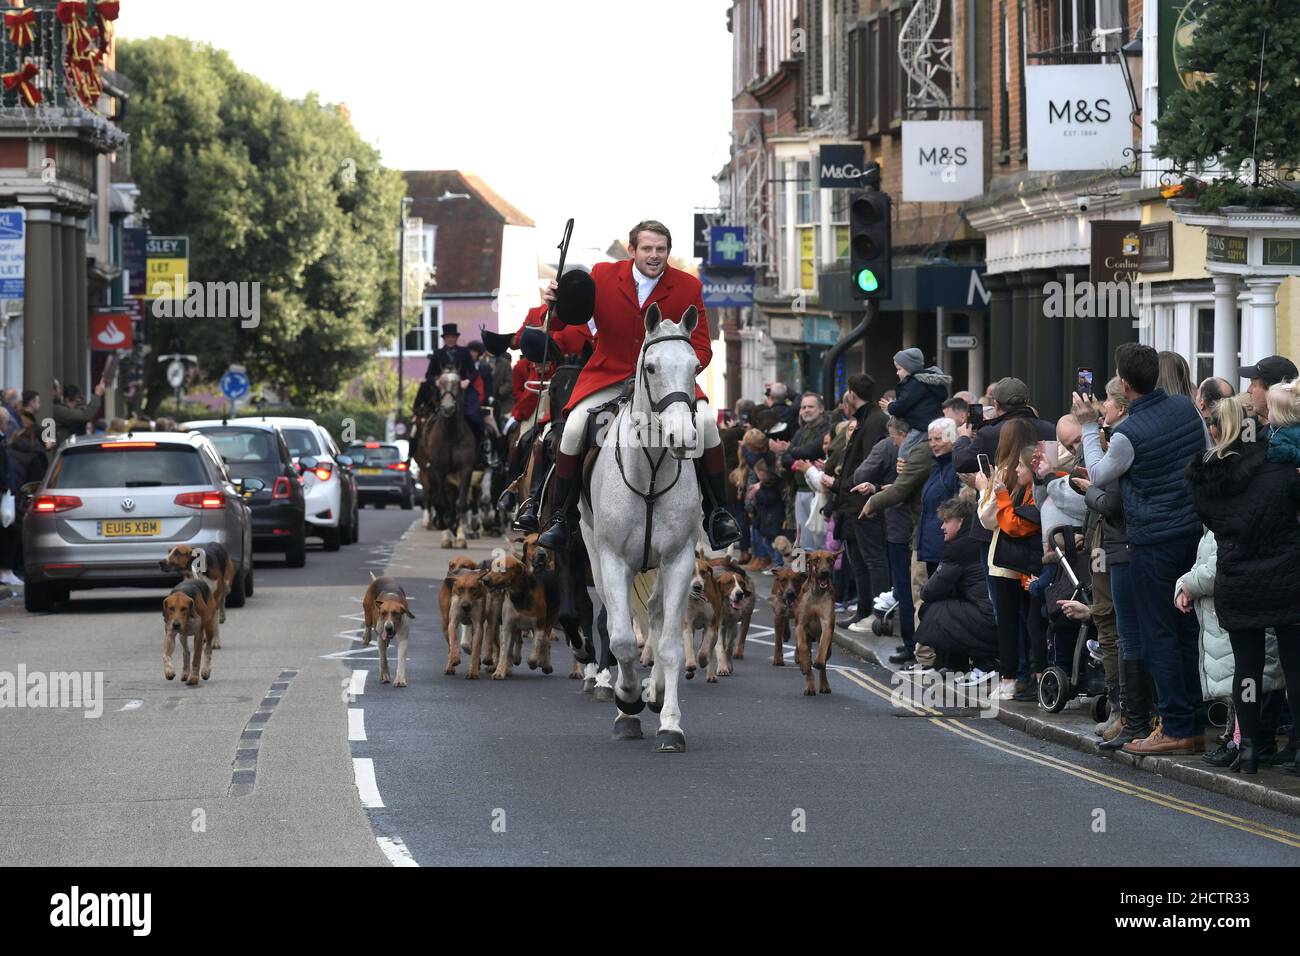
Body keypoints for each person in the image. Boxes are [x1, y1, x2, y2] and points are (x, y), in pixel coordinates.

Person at [537, 220, 740, 551]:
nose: (654, 255)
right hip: (610, 375)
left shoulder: (688, 287)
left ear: (669, 252)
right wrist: (554, 304)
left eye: (661, 249)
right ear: (632, 250)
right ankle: (561, 517)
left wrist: (679, 370)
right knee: (574, 428)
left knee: (705, 424)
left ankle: (718, 514)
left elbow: (702, 347)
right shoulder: (602, 275)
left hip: (667, 383)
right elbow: (565, 322)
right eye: (647, 248)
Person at [1074, 343, 1208, 756]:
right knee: (1187, 628)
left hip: (1151, 540)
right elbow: (1203, 455)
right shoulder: (1187, 409)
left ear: (1126, 385)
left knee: (1159, 633)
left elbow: (1098, 474)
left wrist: (1086, 426)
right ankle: (1192, 721)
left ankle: (1175, 726)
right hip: (1191, 533)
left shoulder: (1129, 433)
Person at [1186, 393, 1300, 774]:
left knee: (1247, 671)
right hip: (1287, 577)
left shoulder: (1207, 482)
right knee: (1295, 667)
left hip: (1238, 579)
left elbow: (1215, 524)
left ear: (1215, 430)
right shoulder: (1281, 469)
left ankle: (1248, 747)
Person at [1177, 527, 1286, 768]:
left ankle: (1245, 743)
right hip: (1228, 618)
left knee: (1249, 682)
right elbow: (1205, 565)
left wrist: (1187, 584)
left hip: (1237, 615)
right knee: (1244, 685)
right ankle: (1243, 741)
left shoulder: (1225, 523)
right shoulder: (1213, 528)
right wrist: (1185, 585)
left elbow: (1218, 570)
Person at [976, 419, 1042, 701]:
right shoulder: (1037, 469)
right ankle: (1030, 675)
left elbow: (988, 519)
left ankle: (1011, 678)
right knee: (1031, 621)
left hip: (1005, 558)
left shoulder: (1003, 472)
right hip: (1031, 559)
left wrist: (983, 488)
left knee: (1007, 621)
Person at [861, 416, 935, 661]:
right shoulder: (913, 452)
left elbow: (902, 488)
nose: (892, 443)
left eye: (893, 436)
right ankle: (912, 646)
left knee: (911, 590)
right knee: (907, 589)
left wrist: (874, 500)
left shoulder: (917, 452)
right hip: (909, 528)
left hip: (907, 530)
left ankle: (916, 647)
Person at [912, 495, 998, 681]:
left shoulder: (960, 546)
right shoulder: (973, 539)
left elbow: (931, 591)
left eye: (946, 521)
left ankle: (984, 665)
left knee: (931, 609)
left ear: (960, 522)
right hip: (993, 613)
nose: (942, 527)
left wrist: (925, 591)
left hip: (987, 617)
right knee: (946, 607)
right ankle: (956, 665)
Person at [826, 374, 888, 628]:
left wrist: (844, 483)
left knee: (872, 560)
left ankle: (878, 615)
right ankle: (863, 611)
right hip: (851, 503)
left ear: (851, 393)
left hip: (863, 501)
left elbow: (870, 462)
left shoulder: (874, 421)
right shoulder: (865, 419)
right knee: (858, 561)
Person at [779, 392, 829, 548]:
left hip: (819, 492)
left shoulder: (828, 429)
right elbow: (784, 459)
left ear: (821, 409)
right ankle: (800, 572)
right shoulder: (800, 432)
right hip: (800, 491)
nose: (806, 410)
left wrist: (793, 451)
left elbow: (811, 451)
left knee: (820, 540)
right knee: (801, 540)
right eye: (803, 407)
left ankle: (820, 572)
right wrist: (797, 464)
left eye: (810, 407)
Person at [915, 417, 960, 576]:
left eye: (938, 439)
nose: (933, 444)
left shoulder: (956, 467)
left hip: (945, 546)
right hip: (932, 544)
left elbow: (960, 508)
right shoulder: (937, 466)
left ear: (952, 438)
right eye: (930, 439)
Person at [880, 348, 950, 437]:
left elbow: (902, 404)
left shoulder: (914, 384)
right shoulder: (926, 383)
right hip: (931, 425)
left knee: (906, 450)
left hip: (919, 427)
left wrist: (890, 406)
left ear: (909, 368)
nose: (897, 373)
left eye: (899, 369)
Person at [1238, 355, 1298, 426]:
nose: (1249, 390)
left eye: (1253, 384)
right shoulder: (1270, 432)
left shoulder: (1285, 435)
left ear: (1272, 390)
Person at [52, 382, 106, 448]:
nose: (59, 391)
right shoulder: (58, 410)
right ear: (67, 400)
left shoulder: (59, 408)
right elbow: (85, 415)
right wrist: (97, 395)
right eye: (58, 388)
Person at [1265, 379, 1300, 464]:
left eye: (1269, 409)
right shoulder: (1274, 427)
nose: (1267, 411)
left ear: (1278, 415)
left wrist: (1290, 452)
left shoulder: (1296, 433)